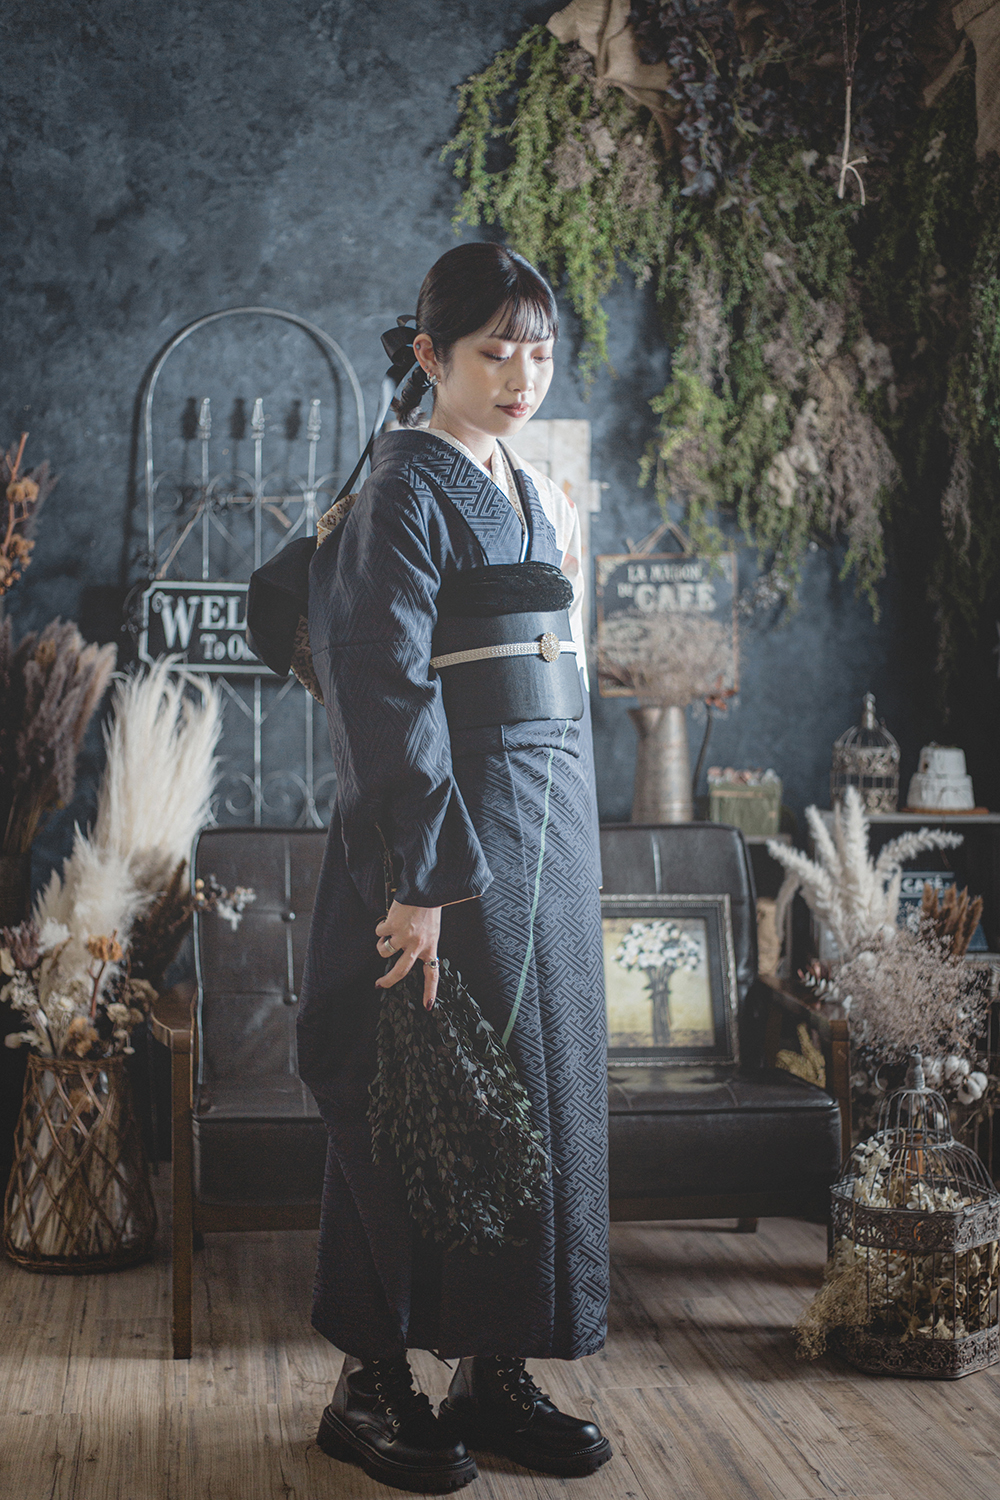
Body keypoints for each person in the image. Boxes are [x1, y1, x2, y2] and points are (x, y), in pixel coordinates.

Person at [297, 241, 611, 1494]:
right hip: (442, 834)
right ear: (430, 356)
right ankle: (371, 1379)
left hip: (544, 824)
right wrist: (418, 879)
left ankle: (495, 1366)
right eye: (494, 352)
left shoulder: (528, 489)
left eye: (540, 351)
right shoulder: (401, 488)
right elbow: (381, 686)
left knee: (530, 1090)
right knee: (413, 1095)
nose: (523, 376)